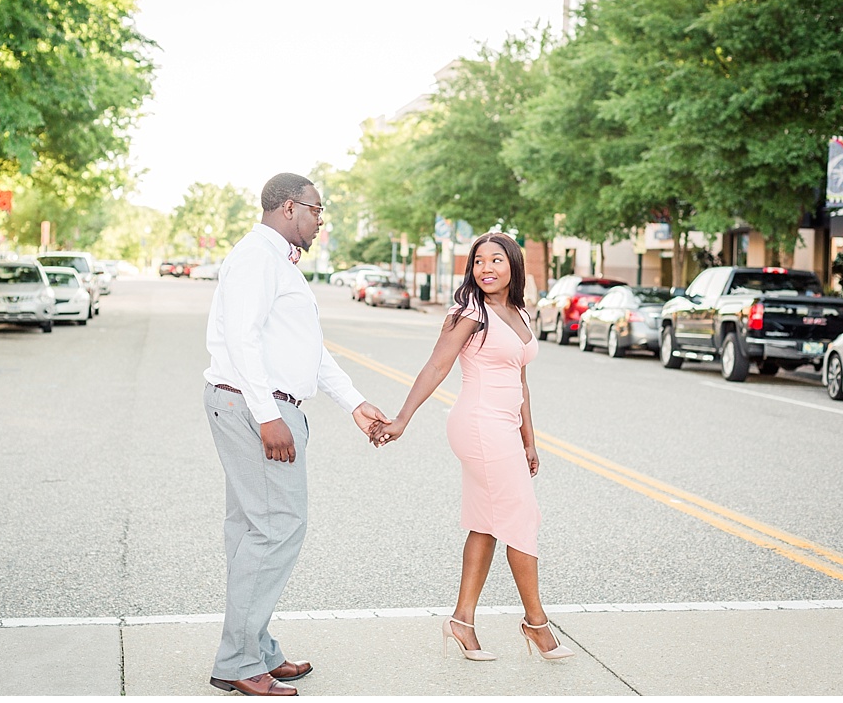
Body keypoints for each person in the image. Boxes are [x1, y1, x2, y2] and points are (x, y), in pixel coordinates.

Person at [203, 172, 393, 696]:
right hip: (253, 406)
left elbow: (308, 349)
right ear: (290, 208)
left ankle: (256, 650)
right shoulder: (255, 258)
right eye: (316, 210)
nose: (319, 220)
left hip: (257, 403)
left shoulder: (276, 261)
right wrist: (268, 418)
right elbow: (241, 341)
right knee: (277, 528)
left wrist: (353, 403)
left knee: (252, 532)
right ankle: (239, 662)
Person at [373, 232, 574, 663]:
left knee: (486, 523)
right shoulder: (470, 311)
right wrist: (403, 418)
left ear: (513, 266)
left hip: (504, 425)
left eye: (496, 260)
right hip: (479, 424)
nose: (486, 268)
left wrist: (529, 440)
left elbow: (520, 381)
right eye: (479, 261)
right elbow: (438, 364)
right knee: (522, 516)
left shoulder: (518, 311)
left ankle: (462, 621)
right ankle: (536, 623)